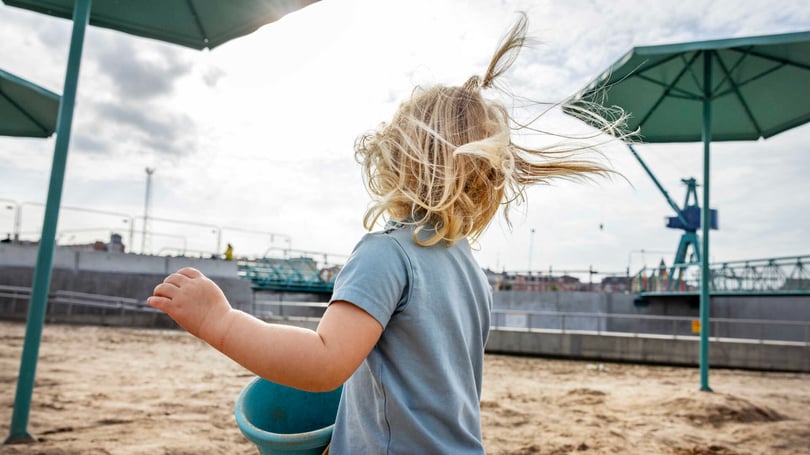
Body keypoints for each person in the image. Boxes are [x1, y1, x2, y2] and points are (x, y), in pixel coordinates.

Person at [148, 13, 624, 453]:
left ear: (394, 160)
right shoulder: (472, 274)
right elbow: (420, 386)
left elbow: (324, 364)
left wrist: (221, 322)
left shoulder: (387, 254)